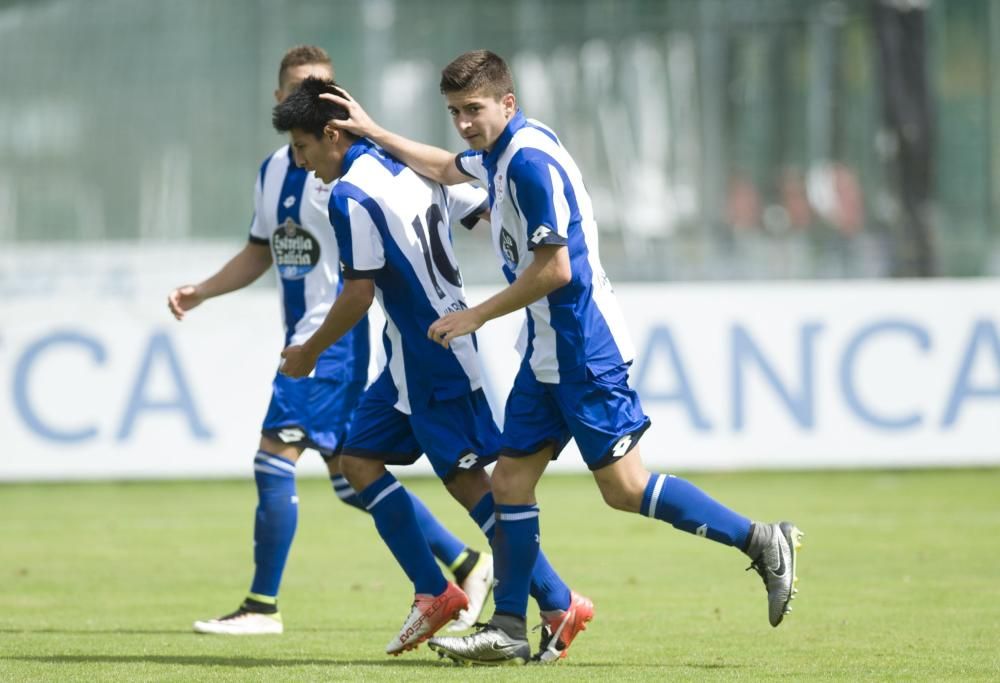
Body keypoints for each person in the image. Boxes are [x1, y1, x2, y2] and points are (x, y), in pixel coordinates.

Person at [322, 49, 804, 665]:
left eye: (474, 109)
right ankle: (509, 628)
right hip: (545, 352)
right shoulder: (500, 154)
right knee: (509, 482)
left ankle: (762, 540)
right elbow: (446, 167)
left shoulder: (526, 164)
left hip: (582, 348)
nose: (465, 123)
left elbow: (556, 269)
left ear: (507, 103)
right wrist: (377, 132)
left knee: (625, 489)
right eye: (455, 112)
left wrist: (475, 314)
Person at [167, 46, 491, 637]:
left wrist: (314, 347)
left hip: (333, 341)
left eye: (323, 89)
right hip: (312, 339)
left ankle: (262, 606)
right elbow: (259, 252)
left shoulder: (348, 174)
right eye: (299, 89)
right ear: (281, 98)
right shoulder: (275, 171)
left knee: (273, 458)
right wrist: (204, 291)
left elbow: (365, 284)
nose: (312, 100)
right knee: (353, 472)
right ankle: (466, 563)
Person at [272, 76, 588, 661]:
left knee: (472, 485)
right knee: (358, 459)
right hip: (409, 355)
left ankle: (555, 596)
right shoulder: (405, 163)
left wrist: (310, 351)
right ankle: (434, 589)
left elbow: (357, 295)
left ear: (332, 134)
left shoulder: (347, 196)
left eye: (303, 147)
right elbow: (480, 214)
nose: (300, 161)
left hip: (432, 355)